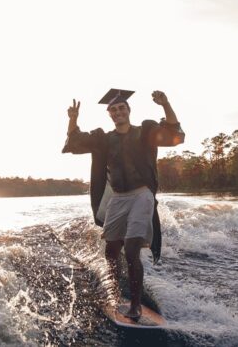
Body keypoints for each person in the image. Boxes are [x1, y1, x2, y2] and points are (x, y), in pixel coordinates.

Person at [62, 88, 184, 320]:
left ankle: (136, 305)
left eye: (122, 108)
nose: (118, 112)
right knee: (111, 250)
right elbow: (75, 143)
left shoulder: (145, 132)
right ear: (110, 114)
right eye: (114, 110)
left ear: (128, 111)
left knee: (131, 249)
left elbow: (173, 134)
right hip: (117, 197)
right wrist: (73, 120)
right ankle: (116, 294)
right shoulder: (104, 140)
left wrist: (165, 104)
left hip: (142, 195)